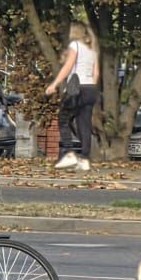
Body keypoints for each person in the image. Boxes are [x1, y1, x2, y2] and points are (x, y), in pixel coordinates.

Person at [44, 23, 100, 172]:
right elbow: (96, 73)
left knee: (63, 118)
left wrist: (54, 84)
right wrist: (91, 88)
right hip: (90, 89)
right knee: (84, 124)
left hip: (76, 87)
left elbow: (68, 67)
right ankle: (85, 159)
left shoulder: (75, 45)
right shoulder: (92, 50)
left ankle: (68, 152)